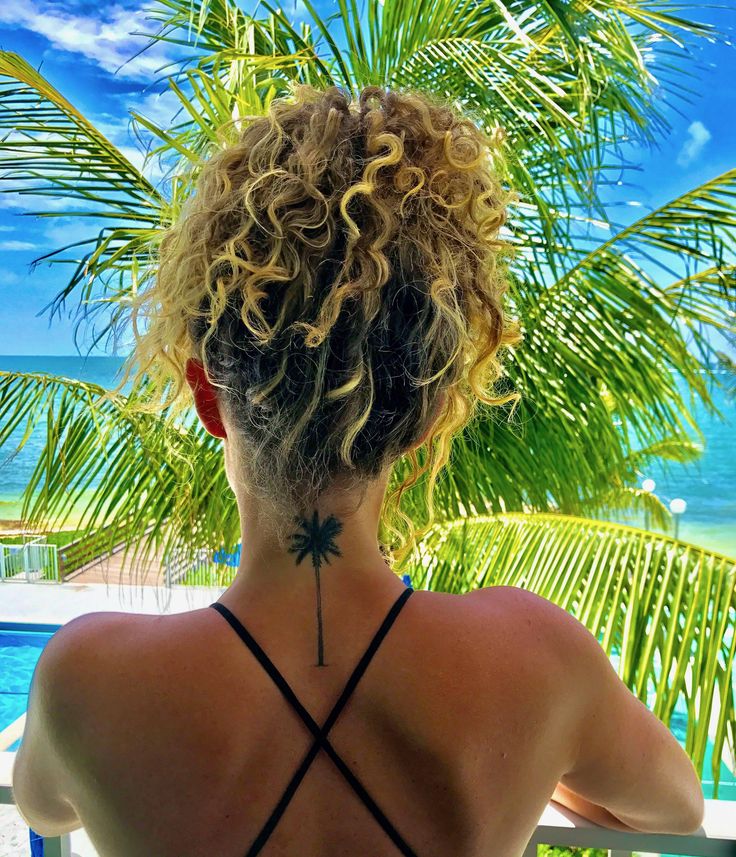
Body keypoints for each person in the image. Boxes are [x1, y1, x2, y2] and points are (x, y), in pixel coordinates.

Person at [12, 84, 704, 857]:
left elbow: (43, 810)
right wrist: (539, 765)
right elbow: (676, 811)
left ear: (208, 396)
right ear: (430, 412)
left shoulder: (88, 680)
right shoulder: (538, 664)